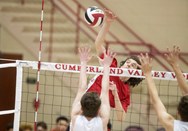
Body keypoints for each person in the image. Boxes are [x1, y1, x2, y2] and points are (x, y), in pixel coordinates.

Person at [87, 9, 143, 120]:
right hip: (85, 107)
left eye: (133, 65)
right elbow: (98, 43)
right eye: (127, 62)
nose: (128, 65)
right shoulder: (111, 65)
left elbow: (121, 117)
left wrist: (115, 93)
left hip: (101, 117)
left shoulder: (125, 93)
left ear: (135, 74)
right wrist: (107, 23)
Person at [139, 46, 188, 131]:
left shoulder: (172, 125)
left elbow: (155, 101)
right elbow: (186, 92)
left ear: (178, 112)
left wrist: (147, 73)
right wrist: (175, 65)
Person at [70, 46, 115, 131]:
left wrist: (83, 62)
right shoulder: (103, 122)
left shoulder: (75, 118)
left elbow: (82, 88)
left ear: (81, 108)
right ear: (99, 110)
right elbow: (105, 90)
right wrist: (106, 65)